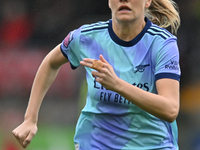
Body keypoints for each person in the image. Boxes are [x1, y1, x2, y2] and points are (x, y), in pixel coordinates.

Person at [12, 0, 181, 149]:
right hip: (95, 143)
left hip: (151, 145)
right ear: (109, 2)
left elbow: (170, 109)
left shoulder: (163, 44)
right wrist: (30, 119)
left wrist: (117, 85)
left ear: (147, 2)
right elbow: (50, 62)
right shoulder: (87, 37)